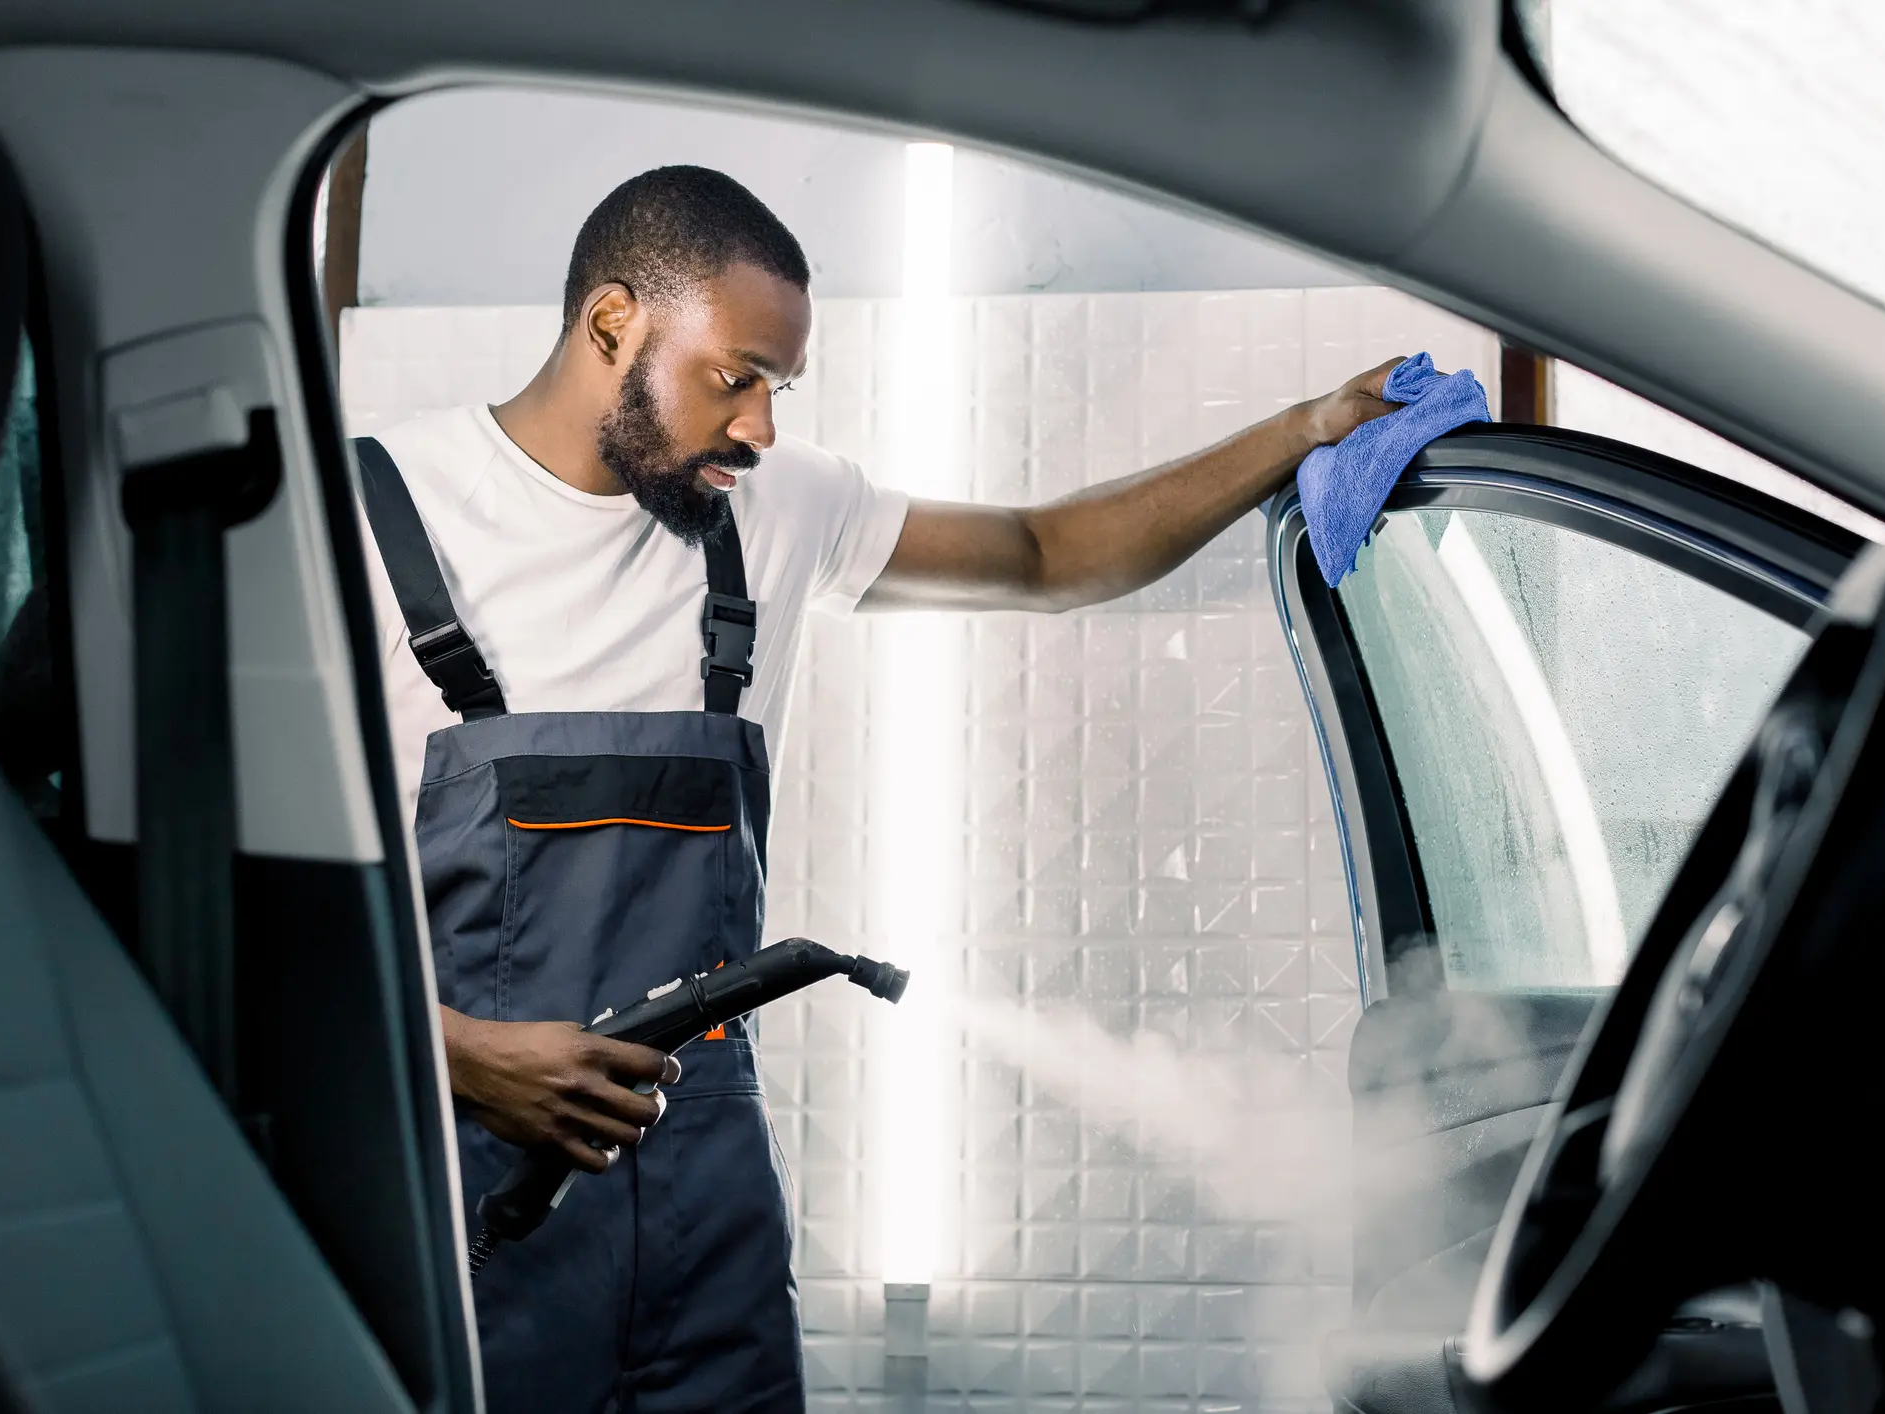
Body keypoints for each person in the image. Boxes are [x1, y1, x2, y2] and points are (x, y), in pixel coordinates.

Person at [355, 164, 1400, 1413]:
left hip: (707, 1214)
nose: (761, 428)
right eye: (735, 375)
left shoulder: (771, 510)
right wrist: (459, 1056)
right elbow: (225, 920)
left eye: (778, 389)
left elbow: (1044, 551)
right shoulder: (369, 523)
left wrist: (1303, 428)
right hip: (456, 1204)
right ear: (612, 324)